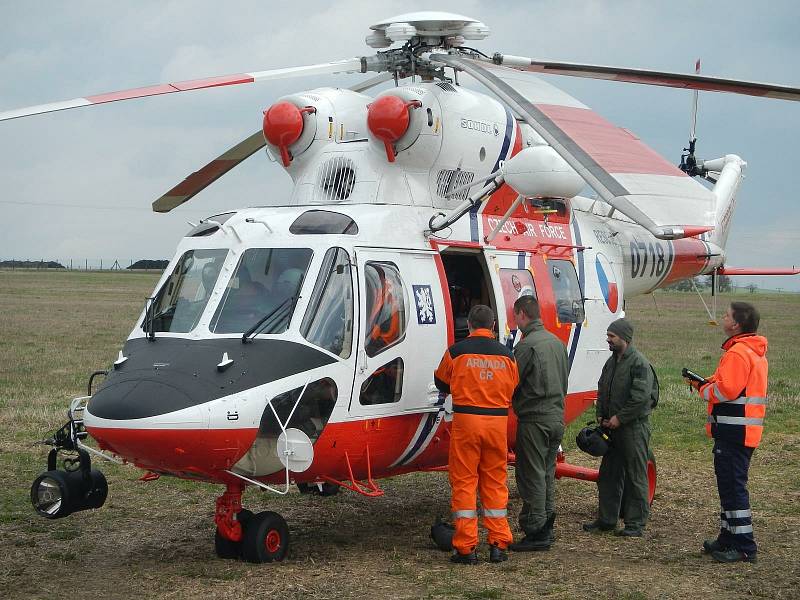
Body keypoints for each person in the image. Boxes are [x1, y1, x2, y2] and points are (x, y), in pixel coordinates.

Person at [434, 305, 519, 565]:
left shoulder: (456, 352)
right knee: (495, 481)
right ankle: (498, 544)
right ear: (493, 326)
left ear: (469, 324)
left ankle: (466, 548)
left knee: (465, 481)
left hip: (467, 423)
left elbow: (440, 382)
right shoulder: (508, 356)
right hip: (496, 424)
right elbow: (514, 387)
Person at [687, 302, 767, 563]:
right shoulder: (751, 351)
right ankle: (728, 536)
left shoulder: (737, 353)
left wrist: (703, 390)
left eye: (726, 315)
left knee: (733, 489)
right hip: (742, 432)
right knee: (729, 488)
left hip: (734, 433)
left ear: (736, 324)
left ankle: (744, 547)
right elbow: (727, 382)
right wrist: (706, 381)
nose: (722, 318)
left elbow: (726, 391)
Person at [583, 318, 656, 537]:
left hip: (633, 429)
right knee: (608, 475)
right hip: (612, 429)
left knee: (636, 476)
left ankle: (635, 523)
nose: (608, 340)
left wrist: (620, 418)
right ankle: (607, 519)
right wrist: (601, 415)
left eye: (612, 336)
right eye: (608, 336)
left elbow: (640, 399)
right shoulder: (611, 362)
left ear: (624, 338)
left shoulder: (639, 364)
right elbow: (602, 387)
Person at [508, 295, 569, 552]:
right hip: (556, 417)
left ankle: (535, 529)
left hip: (534, 420)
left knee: (531, 475)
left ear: (522, 314)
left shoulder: (526, 346)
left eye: (515, 316)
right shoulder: (556, 343)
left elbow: (511, 382)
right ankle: (546, 523)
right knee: (546, 473)